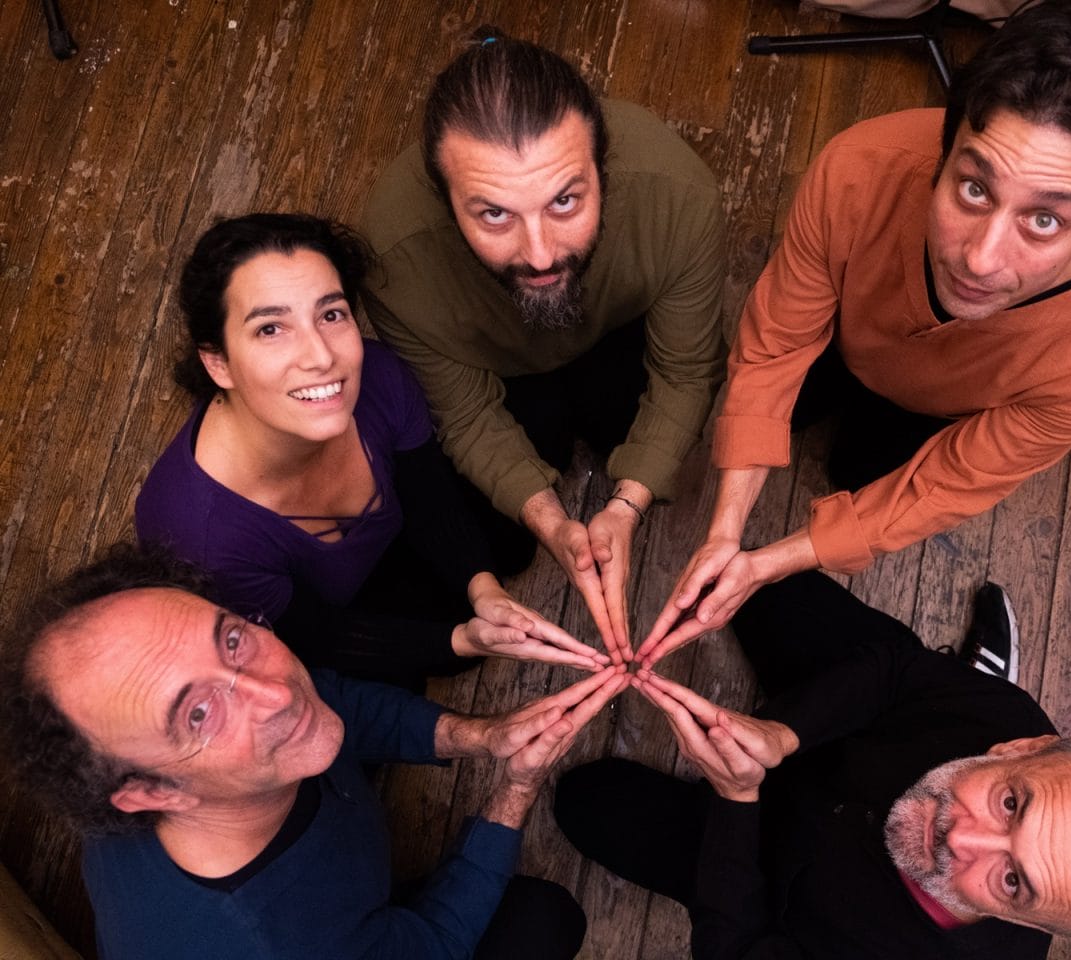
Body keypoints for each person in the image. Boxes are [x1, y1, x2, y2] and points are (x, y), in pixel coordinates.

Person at [639, 0, 1071, 666]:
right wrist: (726, 531)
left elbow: (948, 480)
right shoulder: (857, 169)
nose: (980, 260)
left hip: (938, 412)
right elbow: (778, 342)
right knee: (772, 400)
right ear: (946, 149)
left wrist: (766, 564)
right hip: (838, 335)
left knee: (857, 469)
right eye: (973, 189)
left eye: (1044, 222)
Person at [0, 543, 629, 960]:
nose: (275, 694)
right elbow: (430, 944)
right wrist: (515, 788)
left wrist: (482, 736)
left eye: (232, 639)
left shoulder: (159, 756)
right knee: (543, 921)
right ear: (152, 793)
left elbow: (332, 702)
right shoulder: (280, 942)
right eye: (197, 712)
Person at [557, 572, 1071, 958]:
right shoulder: (1006, 718)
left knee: (584, 804)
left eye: (1013, 880)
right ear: (1023, 748)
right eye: (1011, 804)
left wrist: (737, 801)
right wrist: (783, 732)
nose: (960, 837)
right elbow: (894, 676)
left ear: (1032, 926)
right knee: (759, 586)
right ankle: (967, 677)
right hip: (843, 730)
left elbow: (739, 948)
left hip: (758, 861)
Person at [361, 28, 727, 664]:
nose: (539, 254)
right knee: (507, 535)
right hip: (499, 368)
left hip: (617, 333)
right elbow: (467, 414)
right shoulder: (395, 259)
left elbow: (687, 368)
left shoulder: (678, 196)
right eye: (494, 215)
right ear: (445, 204)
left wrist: (628, 501)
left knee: (640, 431)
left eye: (565, 200)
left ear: (603, 169)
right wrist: (549, 520)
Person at [136, 214, 606, 690]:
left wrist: (481, 587)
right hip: (343, 612)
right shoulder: (201, 537)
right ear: (219, 362)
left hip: (398, 543)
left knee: (522, 478)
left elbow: (428, 494)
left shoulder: (377, 375)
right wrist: (460, 641)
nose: (321, 356)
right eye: (271, 329)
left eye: (331, 314)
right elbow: (316, 636)